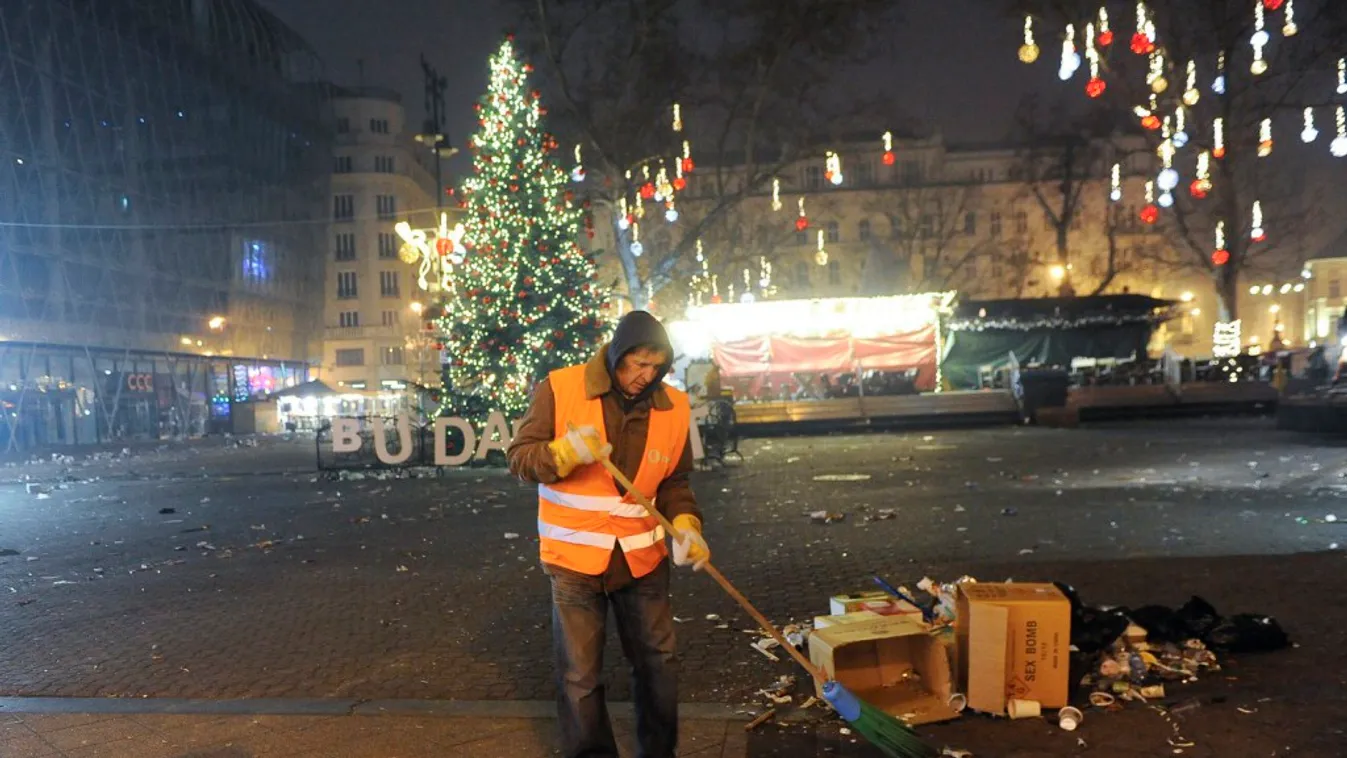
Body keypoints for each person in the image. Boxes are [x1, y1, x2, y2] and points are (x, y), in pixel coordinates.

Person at [507, 310, 710, 758]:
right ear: (617, 355)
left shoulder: (674, 406)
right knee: (579, 675)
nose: (645, 376)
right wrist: (562, 453)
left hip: (644, 558)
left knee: (659, 665)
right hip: (575, 560)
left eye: (656, 366)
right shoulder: (561, 387)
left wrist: (686, 525)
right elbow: (520, 457)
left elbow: (676, 482)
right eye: (637, 364)